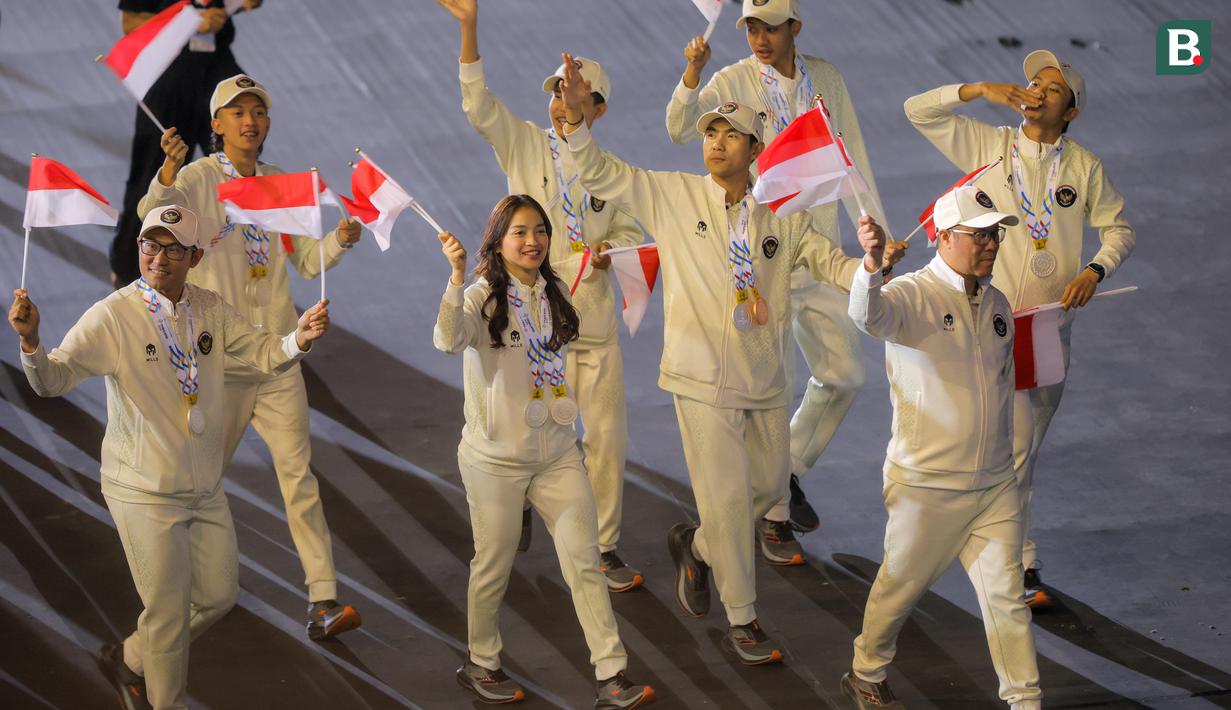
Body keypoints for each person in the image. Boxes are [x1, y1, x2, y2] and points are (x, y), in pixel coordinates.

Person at [558, 57, 903, 665]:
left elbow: (829, 262)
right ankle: (744, 620)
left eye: (730, 134)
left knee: (769, 486)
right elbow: (599, 172)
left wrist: (870, 266)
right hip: (697, 380)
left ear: (755, 148)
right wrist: (581, 121)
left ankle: (696, 545)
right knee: (723, 498)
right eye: (710, 132)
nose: (715, 142)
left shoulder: (781, 215)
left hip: (764, 380)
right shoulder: (672, 193)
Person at [8, 205, 331, 710]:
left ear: (195, 256)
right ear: (139, 249)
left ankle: (130, 657)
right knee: (167, 613)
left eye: (173, 248)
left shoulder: (209, 307)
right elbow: (53, 380)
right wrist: (30, 342)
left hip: (203, 487)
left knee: (219, 596)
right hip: (143, 492)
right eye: (150, 246)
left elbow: (264, 350)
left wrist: (299, 339)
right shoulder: (113, 316)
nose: (159, 257)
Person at [904, 49, 1135, 607]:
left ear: (1072, 112)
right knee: (1008, 449)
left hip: (1048, 328)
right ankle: (1013, 563)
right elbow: (918, 111)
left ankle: (994, 550)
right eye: (1033, 82)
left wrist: (1094, 270)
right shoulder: (991, 146)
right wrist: (981, 88)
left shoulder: (1083, 168)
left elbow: (1119, 229)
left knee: (1020, 450)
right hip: (987, 324)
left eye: (1053, 90)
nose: (1036, 91)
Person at [665, 0, 892, 564]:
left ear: (796, 27)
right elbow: (676, 129)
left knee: (844, 374)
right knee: (774, 386)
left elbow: (853, 153)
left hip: (815, 251)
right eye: (751, 28)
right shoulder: (732, 79)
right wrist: (692, 75)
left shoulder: (827, 79)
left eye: (771, 27)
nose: (759, 39)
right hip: (757, 258)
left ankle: (784, 474)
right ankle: (773, 519)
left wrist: (876, 233)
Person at [139, 73, 364, 640]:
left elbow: (307, 264)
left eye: (257, 111)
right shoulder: (196, 179)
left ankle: (323, 600)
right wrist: (166, 173)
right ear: (216, 125)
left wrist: (338, 238)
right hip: (222, 364)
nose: (249, 120)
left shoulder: (283, 184)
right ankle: (174, 587)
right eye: (236, 112)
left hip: (279, 357)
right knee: (201, 478)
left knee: (299, 475)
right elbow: (154, 217)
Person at [435, 0, 647, 592]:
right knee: (528, 424)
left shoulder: (613, 171)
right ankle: (522, 493)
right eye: (555, 92)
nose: (560, 103)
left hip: (593, 323)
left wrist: (613, 253)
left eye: (574, 94)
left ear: (596, 108)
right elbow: (478, 106)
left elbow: (632, 233)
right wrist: (470, 29)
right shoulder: (524, 144)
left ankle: (603, 547)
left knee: (604, 439)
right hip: (529, 325)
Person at [434, 195, 654, 709]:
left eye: (540, 231)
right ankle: (480, 662)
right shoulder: (482, 296)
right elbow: (447, 340)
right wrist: (455, 277)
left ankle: (611, 675)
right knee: (492, 565)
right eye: (519, 232)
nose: (532, 241)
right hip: (494, 463)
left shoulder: (556, 293)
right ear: (498, 240)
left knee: (585, 562)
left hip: (558, 454)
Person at [841, 185, 1042, 710]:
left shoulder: (997, 304)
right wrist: (870, 268)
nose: (991, 244)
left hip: (995, 485)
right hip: (927, 487)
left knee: (1007, 600)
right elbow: (866, 316)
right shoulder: (910, 295)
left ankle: (1026, 701)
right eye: (979, 235)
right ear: (945, 237)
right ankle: (866, 673)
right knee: (899, 588)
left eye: (995, 234)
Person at [110, 0, 264, 287]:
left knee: (241, 161)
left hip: (214, 67)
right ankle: (129, 270)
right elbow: (130, 23)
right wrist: (189, 24)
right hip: (168, 74)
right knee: (153, 174)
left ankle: (239, 262)